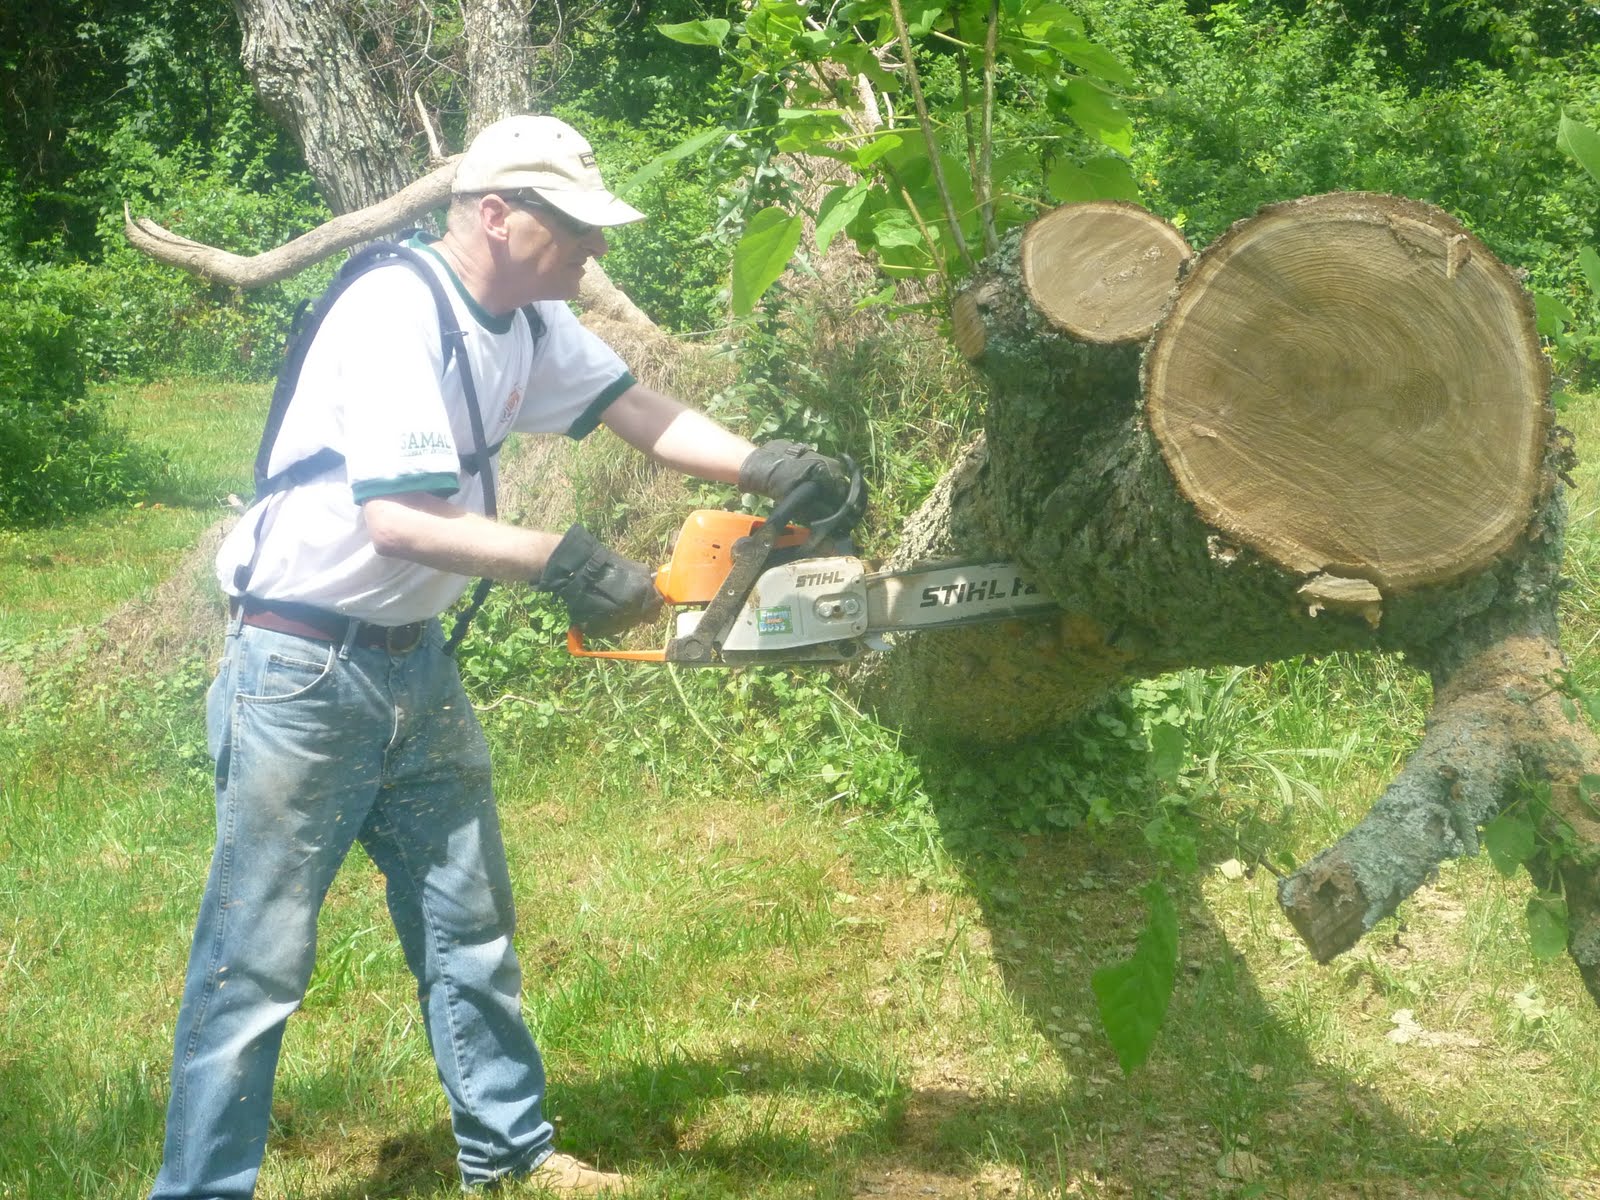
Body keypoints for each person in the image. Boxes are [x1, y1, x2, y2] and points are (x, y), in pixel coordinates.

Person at [148, 114, 852, 1199]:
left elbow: (638, 410)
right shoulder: (395, 310)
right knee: (256, 963)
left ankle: (511, 1155)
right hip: (301, 672)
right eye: (574, 227)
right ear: (494, 215)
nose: (595, 250)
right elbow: (399, 519)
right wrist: (560, 557)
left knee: (467, 922)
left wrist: (764, 468)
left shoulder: (526, 317)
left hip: (410, 663)